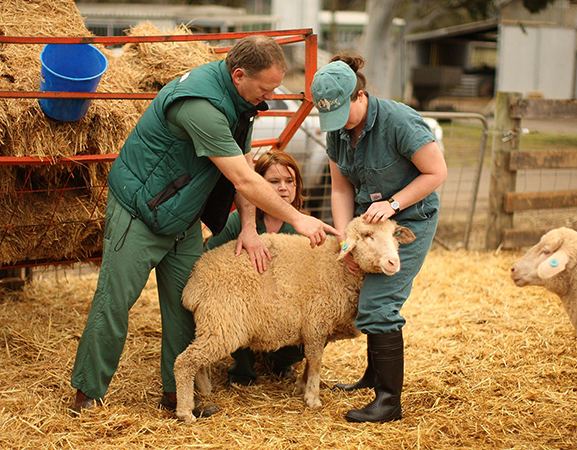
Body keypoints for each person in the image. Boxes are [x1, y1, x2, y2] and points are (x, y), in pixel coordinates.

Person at [70, 35, 337, 417]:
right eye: (265, 88)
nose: (268, 96)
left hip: (182, 216)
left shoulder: (241, 103)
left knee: (184, 307)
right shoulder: (201, 105)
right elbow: (244, 180)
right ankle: (88, 390)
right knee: (116, 300)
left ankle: (178, 396)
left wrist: (248, 227)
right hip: (140, 211)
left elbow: (243, 166)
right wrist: (297, 217)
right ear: (239, 74)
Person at [310, 53, 448, 423]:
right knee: (365, 294)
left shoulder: (399, 121)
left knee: (380, 302)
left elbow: (436, 172)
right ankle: (373, 377)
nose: (337, 124)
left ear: (359, 95)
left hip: (409, 219)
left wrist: (394, 203)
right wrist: (345, 239)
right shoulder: (338, 131)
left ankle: (389, 401)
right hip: (368, 225)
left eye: (343, 112)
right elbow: (340, 190)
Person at [204, 150, 305, 386]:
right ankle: (242, 368)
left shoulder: (303, 228)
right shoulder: (238, 222)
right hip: (246, 301)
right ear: (258, 184)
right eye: (274, 182)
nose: (283, 188)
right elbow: (210, 260)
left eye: (289, 181)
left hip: (284, 307)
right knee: (237, 306)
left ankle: (279, 362)